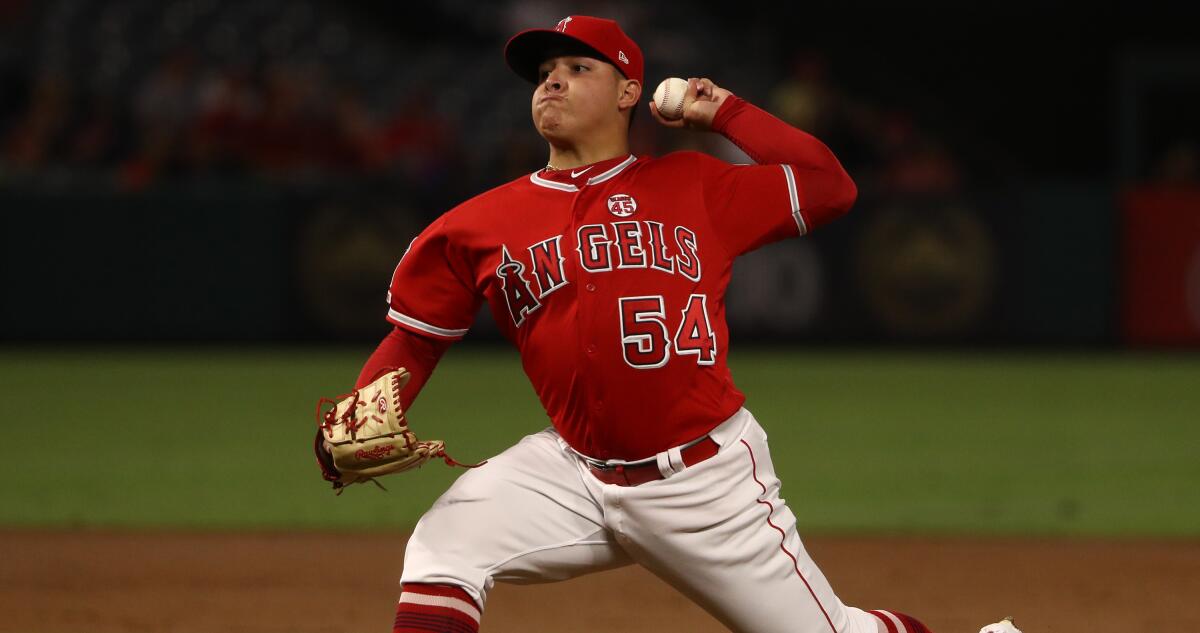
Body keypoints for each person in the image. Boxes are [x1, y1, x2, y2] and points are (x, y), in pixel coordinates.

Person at [326, 15, 1020, 633]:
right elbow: (414, 337)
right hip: (570, 470)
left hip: (703, 482)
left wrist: (725, 111)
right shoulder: (476, 226)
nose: (552, 84)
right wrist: (359, 415)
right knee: (443, 547)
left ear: (631, 91)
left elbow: (831, 187)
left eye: (577, 69)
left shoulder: (696, 186)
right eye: (543, 74)